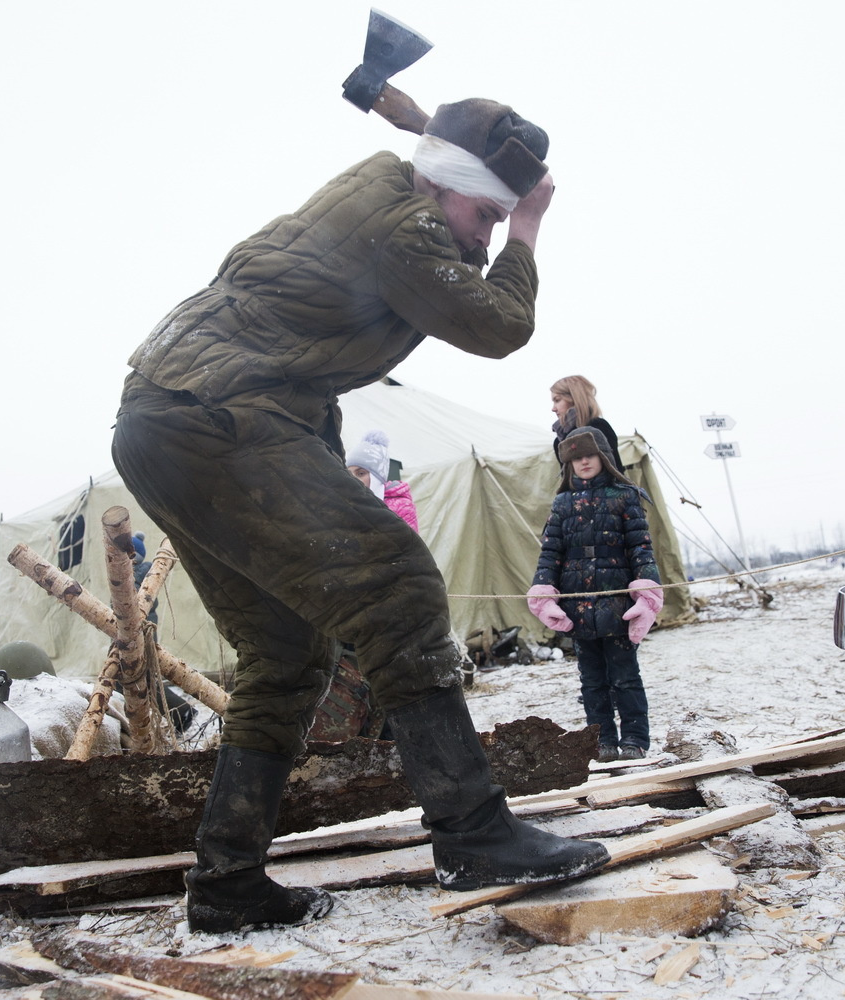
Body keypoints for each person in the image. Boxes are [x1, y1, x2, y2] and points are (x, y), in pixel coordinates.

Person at [111, 97, 608, 933]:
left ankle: (228, 880)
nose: (483, 239)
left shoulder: (389, 189)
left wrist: (497, 200)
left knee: (284, 653)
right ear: (442, 183)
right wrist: (527, 228)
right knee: (399, 585)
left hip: (164, 418)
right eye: (482, 215)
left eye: (496, 223)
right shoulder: (404, 229)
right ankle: (473, 831)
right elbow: (500, 324)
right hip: (218, 411)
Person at [527, 427, 664, 762]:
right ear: (568, 464)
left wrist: (647, 592)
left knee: (625, 676)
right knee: (591, 680)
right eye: (575, 457)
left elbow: (641, 549)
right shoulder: (562, 503)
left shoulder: (625, 496)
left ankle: (635, 738)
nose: (583, 461)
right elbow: (551, 554)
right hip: (578, 608)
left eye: (588, 455)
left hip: (617, 605)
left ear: (602, 456)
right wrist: (544, 593)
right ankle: (601, 739)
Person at [346, 429, 419, 532]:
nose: (353, 480)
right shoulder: (347, 504)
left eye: (361, 473)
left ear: (376, 476)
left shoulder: (402, 507)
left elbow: (409, 546)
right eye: (349, 474)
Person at [549, 375, 623, 472]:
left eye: (557, 400)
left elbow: (616, 472)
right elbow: (566, 480)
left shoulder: (598, 427)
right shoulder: (559, 441)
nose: (553, 409)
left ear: (575, 398)